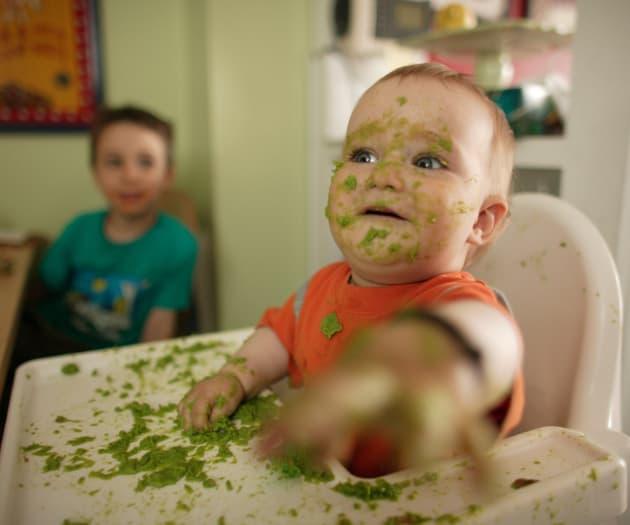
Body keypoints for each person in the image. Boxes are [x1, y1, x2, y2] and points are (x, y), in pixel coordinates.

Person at [178, 63, 523, 478]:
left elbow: (493, 339)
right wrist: (234, 377)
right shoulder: (322, 287)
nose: (383, 176)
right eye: (364, 155)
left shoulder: (455, 305)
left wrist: (427, 349)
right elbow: (278, 338)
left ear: (481, 221)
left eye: (428, 162)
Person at [27, 105, 198, 355]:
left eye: (145, 162)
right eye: (114, 162)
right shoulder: (79, 229)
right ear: (96, 173)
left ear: (167, 176)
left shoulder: (180, 244)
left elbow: (158, 333)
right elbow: (41, 289)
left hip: (118, 360)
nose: (130, 176)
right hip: (53, 346)